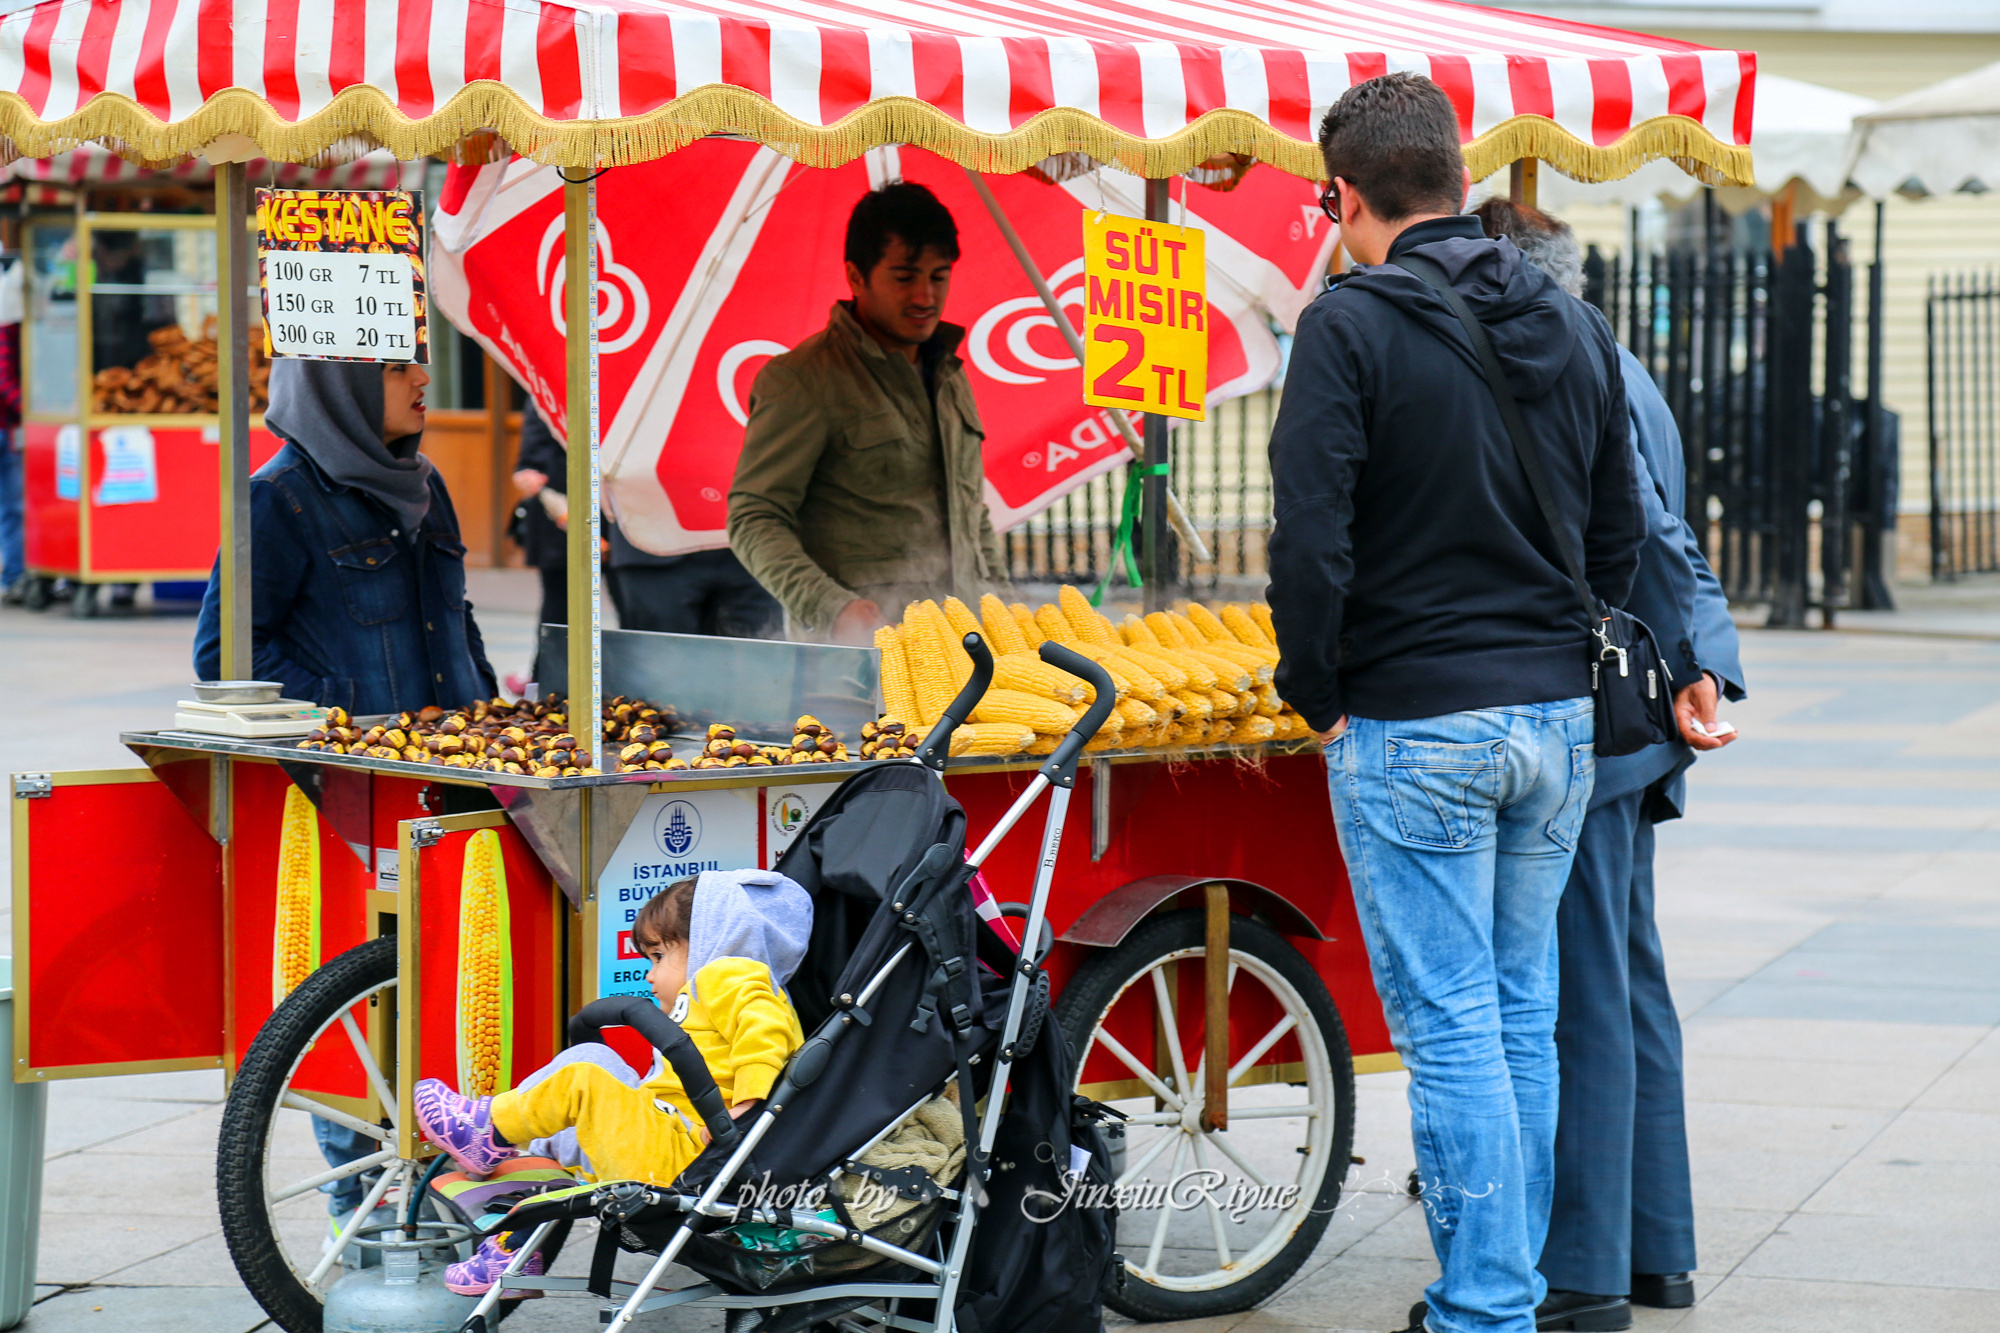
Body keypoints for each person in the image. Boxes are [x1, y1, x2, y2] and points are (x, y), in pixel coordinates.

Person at [1264, 74, 1646, 1333]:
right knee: (1517, 1012)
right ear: (1459, 182)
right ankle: (1505, 1291)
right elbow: (1616, 536)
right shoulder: (1569, 318)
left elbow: (1308, 542)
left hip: (1414, 718)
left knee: (1452, 1026)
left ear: (1342, 195)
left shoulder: (1345, 326)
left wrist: (1315, 692)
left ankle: (1483, 1306)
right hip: (1550, 721)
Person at [1471, 199, 1746, 1332]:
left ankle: (1579, 1267)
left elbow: (1650, 537)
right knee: (1626, 981)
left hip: (1603, 716)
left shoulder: (1570, 369)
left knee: (1583, 985)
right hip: (1639, 720)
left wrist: (1693, 664)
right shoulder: (1619, 359)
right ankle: (1653, 1247)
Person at [413, 868, 811, 1294]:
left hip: (689, 1158)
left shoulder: (730, 973)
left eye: (658, 956)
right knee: (592, 1058)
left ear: (714, 938)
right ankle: (515, 1242)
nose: (650, 975)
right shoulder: (710, 989)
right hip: (670, 1135)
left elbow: (765, 1033)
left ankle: (487, 1131)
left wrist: (750, 1102)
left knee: (587, 1079)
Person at [729, 181, 1008, 645]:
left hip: (966, 646)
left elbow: (971, 512)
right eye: (904, 277)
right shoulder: (802, 379)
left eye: (938, 277)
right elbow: (753, 515)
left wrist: (1003, 606)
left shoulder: (949, 373)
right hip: (857, 656)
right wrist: (830, 605)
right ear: (857, 277)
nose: (925, 297)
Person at [193, 359, 497, 714]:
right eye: (397, 368)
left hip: (457, 750)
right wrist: (339, 711)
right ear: (340, 389)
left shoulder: (426, 484)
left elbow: (454, 610)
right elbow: (227, 657)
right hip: (357, 759)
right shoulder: (279, 496)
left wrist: (482, 690)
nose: (422, 378)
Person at [507, 406, 572, 690]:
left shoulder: (548, 387)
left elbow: (533, 456)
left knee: (559, 599)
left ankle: (547, 680)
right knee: (560, 598)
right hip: (562, 506)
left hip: (572, 497)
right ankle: (546, 677)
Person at [0, 258, 23, 604]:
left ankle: (16, 573)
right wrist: (28, 411)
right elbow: (4, 380)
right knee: (13, 505)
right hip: (8, 428)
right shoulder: (7, 328)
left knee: (14, 506)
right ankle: (16, 573)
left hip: (10, 428)